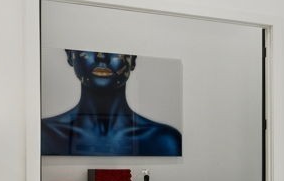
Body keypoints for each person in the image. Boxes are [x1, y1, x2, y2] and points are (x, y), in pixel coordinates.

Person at [40, 50, 182, 156]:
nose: (102, 56)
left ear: (133, 61)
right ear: (70, 56)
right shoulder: (45, 134)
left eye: (115, 51)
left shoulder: (164, 140)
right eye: (90, 48)